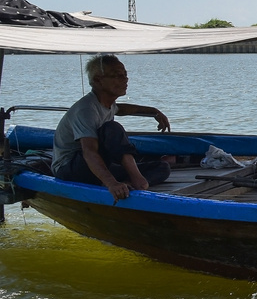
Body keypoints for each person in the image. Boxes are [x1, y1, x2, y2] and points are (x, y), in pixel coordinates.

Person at [52, 54, 174, 200]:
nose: (125, 79)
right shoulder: (86, 110)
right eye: (117, 75)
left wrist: (153, 111)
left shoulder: (108, 105)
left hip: (96, 165)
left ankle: (130, 183)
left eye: (125, 74)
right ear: (98, 80)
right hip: (70, 168)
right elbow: (89, 152)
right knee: (112, 128)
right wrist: (111, 183)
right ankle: (134, 180)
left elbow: (121, 109)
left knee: (162, 168)